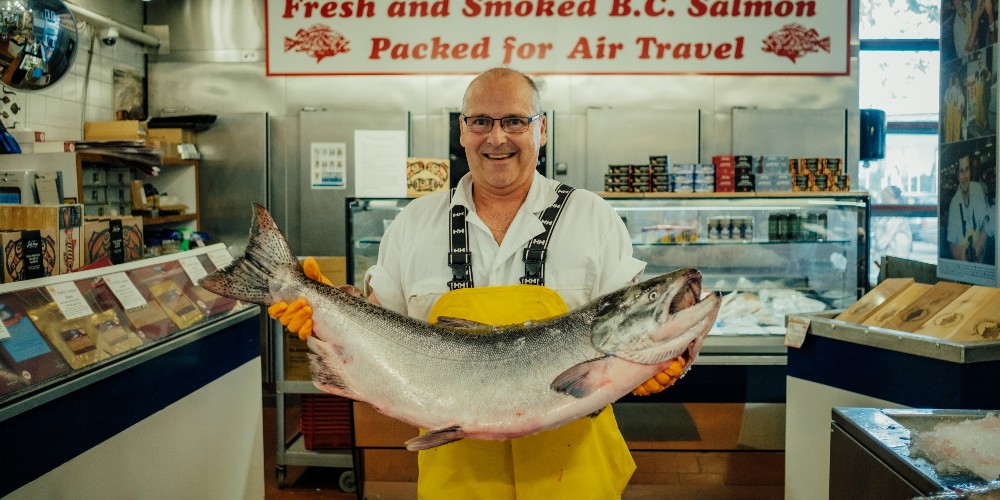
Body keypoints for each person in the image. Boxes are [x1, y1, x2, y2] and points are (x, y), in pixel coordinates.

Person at [270, 67, 683, 498]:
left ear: (541, 130)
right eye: (481, 121)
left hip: (574, 470)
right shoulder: (414, 222)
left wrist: (670, 359)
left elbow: (637, 326)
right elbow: (380, 319)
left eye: (515, 121)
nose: (497, 137)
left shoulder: (593, 216)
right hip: (456, 473)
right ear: (462, 132)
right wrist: (323, 309)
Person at [947, 155, 995, 262]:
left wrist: (980, 242)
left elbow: (986, 219)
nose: (965, 176)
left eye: (967, 170)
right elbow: (951, 243)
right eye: (961, 171)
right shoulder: (954, 204)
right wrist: (960, 254)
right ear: (957, 175)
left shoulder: (977, 189)